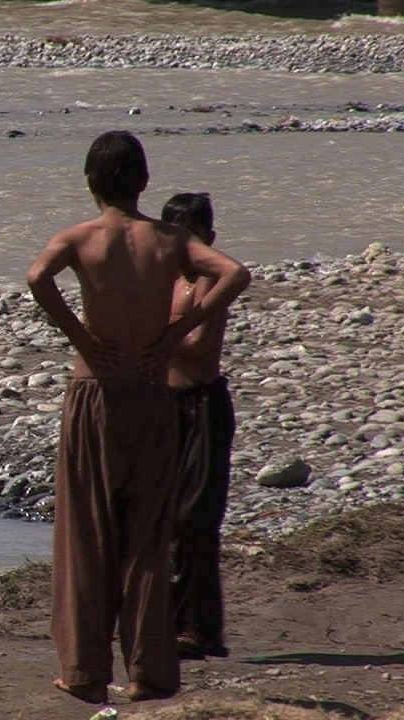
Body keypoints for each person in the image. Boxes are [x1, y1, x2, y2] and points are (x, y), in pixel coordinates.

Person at [25, 131, 250, 703]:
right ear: (144, 182)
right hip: (151, 392)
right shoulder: (170, 240)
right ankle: (148, 672)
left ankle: (84, 670)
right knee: (148, 536)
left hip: (96, 392)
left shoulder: (79, 237)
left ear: (90, 183)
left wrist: (80, 336)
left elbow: (37, 278)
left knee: (87, 531)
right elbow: (235, 273)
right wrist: (175, 333)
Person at [162, 193, 236, 660]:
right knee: (163, 517)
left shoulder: (213, 279)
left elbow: (197, 343)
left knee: (195, 518)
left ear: (209, 237)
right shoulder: (162, 278)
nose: (185, 247)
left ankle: (200, 628)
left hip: (201, 403)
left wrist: (140, 334)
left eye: (192, 237)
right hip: (161, 405)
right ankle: (169, 621)